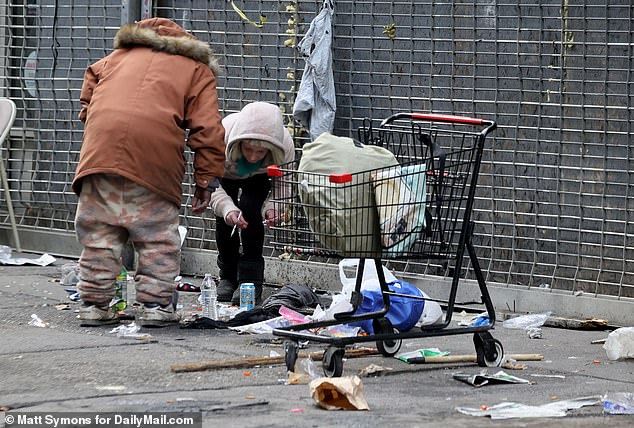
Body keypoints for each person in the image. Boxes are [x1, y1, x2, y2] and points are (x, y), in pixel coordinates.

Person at [72, 18, 225, 327]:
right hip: (153, 162)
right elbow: (207, 130)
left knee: (99, 235)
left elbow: (88, 93)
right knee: (156, 238)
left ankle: (92, 304)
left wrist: (96, 120)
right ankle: (155, 307)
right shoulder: (195, 69)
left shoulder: (115, 58)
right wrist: (206, 181)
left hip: (99, 154)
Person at [210, 102, 295, 305]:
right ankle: (228, 276)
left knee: (251, 211)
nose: (253, 156)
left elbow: (284, 183)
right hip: (226, 174)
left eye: (260, 152)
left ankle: (251, 279)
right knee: (226, 220)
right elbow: (209, 181)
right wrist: (227, 209)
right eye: (248, 149)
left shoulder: (285, 143)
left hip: (260, 176)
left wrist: (274, 207)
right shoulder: (221, 136)